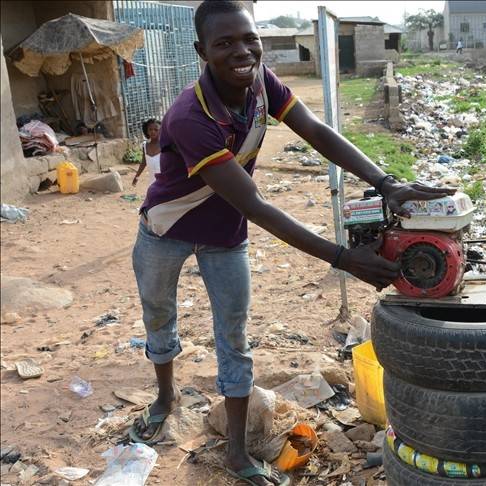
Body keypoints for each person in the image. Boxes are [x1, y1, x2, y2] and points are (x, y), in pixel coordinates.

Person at [128, 2, 454, 485]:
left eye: (249, 39)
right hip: (166, 231)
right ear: (202, 52)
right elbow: (257, 205)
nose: (242, 51)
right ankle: (165, 396)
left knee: (234, 340)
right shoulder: (189, 116)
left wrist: (386, 182)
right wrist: (343, 258)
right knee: (159, 317)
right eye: (225, 43)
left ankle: (237, 453)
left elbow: (316, 131)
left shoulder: (261, 83)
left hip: (224, 236)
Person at [132, 118, 161, 187]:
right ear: (147, 131)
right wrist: (137, 176)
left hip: (166, 182)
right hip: (153, 183)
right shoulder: (145, 145)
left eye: (156, 130)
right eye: (150, 129)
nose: (153, 132)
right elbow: (143, 163)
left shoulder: (165, 144)